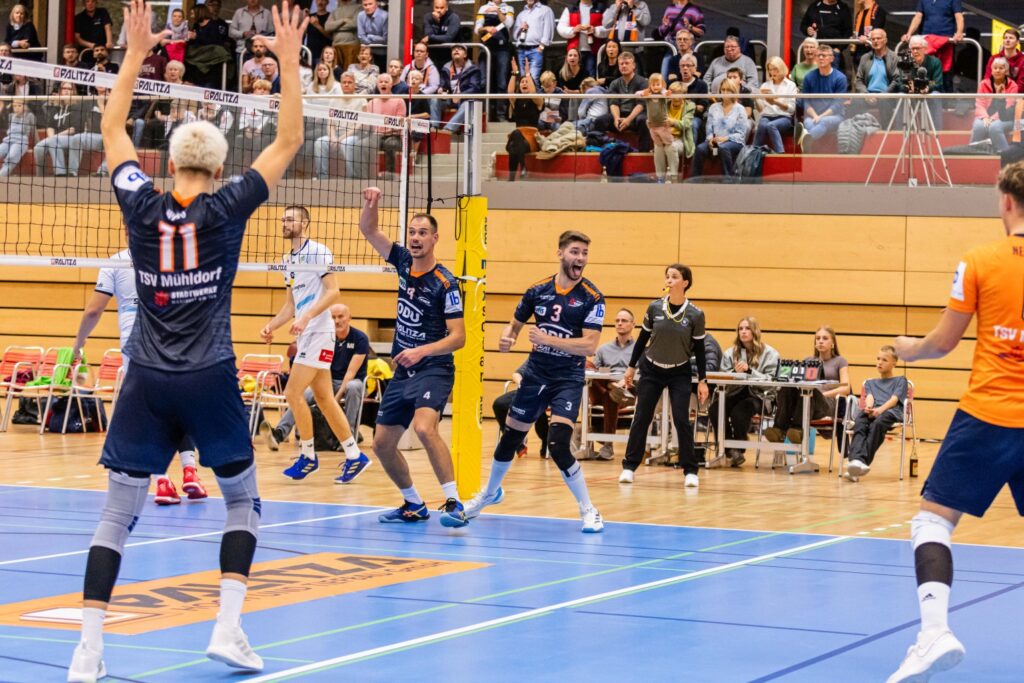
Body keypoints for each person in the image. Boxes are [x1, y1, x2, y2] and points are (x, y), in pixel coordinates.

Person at [66, 2, 307, 680]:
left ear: (168, 162)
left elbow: (111, 125)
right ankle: (228, 629)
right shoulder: (229, 208)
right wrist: (287, 62)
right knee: (241, 501)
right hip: (209, 374)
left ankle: (88, 650)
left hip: (144, 371)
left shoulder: (140, 203)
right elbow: (286, 142)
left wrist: (138, 52)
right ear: (220, 165)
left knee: (117, 513)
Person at [884, 162, 1024, 683]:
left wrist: (905, 349)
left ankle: (935, 633)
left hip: (988, 414)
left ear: (1006, 201)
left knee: (932, 523)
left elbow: (942, 344)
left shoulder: (980, 261)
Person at [464, 231, 606, 533]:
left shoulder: (592, 298)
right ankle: (488, 494)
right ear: (560, 254)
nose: (580, 259)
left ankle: (589, 509)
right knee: (510, 439)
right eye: (575, 252)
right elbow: (515, 324)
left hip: (567, 377)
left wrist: (547, 338)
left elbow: (590, 345)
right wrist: (507, 337)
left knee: (558, 445)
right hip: (536, 375)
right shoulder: (537, 290)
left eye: (584, 254)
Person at [358, 187, 468, 527]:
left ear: (435, 239)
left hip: (433, 367)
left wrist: (420, 350)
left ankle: (454, 503)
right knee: (381, 444)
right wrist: (372, 203)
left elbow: (459, 338)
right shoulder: (403, 262)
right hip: (402, 371)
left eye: (422, 233)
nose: (416, 238)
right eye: (412, 232)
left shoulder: (446, 283)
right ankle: (413, 503)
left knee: (423, 427)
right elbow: (369, 231)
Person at [72, 241, 209, 507]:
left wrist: (79, 344)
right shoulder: (173, 259)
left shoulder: (115, 261)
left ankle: (162, 481)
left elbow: (93, 310)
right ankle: (190, 470)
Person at [259, 205, 366, 481]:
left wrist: (307, 318)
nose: (284, 222)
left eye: (290, 219)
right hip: (308, 333)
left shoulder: (318, 252)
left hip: (319, 331)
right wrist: (272, 325)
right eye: (283, 219)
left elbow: (334, 292)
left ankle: (307, 456)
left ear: (305, 223)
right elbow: (289, 305)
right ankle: (355, 456)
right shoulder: (288, 259)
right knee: (324, 398)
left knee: (293, 393)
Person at [620, 264, 709, 486]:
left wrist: (703, 381)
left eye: (674, 276)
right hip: (651, 370)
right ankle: (629, 467)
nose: (669, 279)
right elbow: (642, 340)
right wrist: (631, 367)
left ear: (685, 282)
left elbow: (699, 350)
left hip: (680, 371)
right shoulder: (654, 308)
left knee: (681, 419)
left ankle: (690, 471)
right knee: (641, 417)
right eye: (667, 276)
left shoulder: (696, 314)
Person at [264, 303, 370, 474]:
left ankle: (348, 437)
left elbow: (350, 373)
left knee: (352, 387)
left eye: (340, 316)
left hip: (351, 381)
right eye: (333, 317)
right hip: (328, 378)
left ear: (349, 318)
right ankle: (279, 433)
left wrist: (332, 400)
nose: (336, 320)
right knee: (301, 394)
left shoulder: (360, 338)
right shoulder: (326, 337)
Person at [766, 326, 851, 446]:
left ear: (833, 343)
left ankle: (798, 429)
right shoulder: (808, 360)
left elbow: (846, 388)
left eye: (825, 338)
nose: (820, 341)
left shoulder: (840, 361)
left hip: (827, 403)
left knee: (810, 391)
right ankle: (779, 429)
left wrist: (822, 394)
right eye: (818, 338)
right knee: (788, 386)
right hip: (806, 402)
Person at [715, 317, 780, 467]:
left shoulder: (770, 353)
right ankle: (730, 449)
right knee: (715, 408)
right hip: (735, 392)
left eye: (747, 328)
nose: (743, 332)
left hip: (759, 396)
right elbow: (722, 378)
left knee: (740, 411)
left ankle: (738, 446)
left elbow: (772, 381)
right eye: (740, 329)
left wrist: (750, 371)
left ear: (755, 331)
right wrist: (733, 372)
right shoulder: (730, 353)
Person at [843, 345, 907, 478]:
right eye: (878, 359)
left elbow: (894, 400)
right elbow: (870, 398)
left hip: (890, 412)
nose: (879, 362)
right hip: (874, 410)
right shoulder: (870, 383)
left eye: (884, 360)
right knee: (860, 422)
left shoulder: (901, 380)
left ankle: (858, 462)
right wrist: (869, 408)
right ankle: (856, 463)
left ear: (894, 363)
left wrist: (879, 410)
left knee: (877, 424)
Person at [585, 308, 635, 461]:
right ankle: (612, 387)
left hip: (629, 391)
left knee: (611, 397)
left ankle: (608, 446)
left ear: (633, 324)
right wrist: (611, 384)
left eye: (624, 321)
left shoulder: (639, 349)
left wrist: (624, 382)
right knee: (586, 365)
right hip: (602, 388)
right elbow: (594, 374)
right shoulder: (603, 349)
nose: (620, 324)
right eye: (617, 321)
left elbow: (641, 373)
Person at [899, 0, 964, 95]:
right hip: (926, 41)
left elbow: (959, 16)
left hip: (945, 41)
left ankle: (947, 103)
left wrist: (959, 32)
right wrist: (909, 33)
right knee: (924, 70)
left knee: (945, 74)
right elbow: (918, 16)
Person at [691, 77, 747, 179]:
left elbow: (741, 134)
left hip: (734, 141)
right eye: (723, 90)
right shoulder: (714, 107)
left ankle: (729, 180)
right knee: (699, 149)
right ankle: (694, 180)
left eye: (728, 90)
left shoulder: (740, 109)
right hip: (714, 140)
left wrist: (724, 139)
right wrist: (710, 140)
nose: (725, 93)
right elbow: (709, 128)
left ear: (734, 92)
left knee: (723, 148)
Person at [492, 363, 549, 458]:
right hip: (525, 391)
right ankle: (516, 441)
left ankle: (546, 442)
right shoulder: (536, 357)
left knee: (536, 406)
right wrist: (522, 384)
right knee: (499, 404)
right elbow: (516, 374)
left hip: (546, 393)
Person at [798, 45, 848, 150]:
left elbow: (837, 105)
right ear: (815, 58)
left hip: (835, 116)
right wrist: (815, 116)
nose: (821, 58)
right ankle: (808, 148)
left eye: (824, 55)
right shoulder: (809, 77)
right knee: (808, 122)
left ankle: (804, 139)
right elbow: (806, 101)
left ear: (832, 58)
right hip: (813, 116)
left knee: (822, 122)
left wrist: (821, 117)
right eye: (818, 55)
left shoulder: (840, 78)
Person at [601, 51, 651, 151]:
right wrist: (616, 118)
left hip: (636, 116)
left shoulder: (643, 82)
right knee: (600, 121)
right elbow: (613, 102)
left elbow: (641, 105)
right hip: (620, 115)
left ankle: (643, 152)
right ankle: (601, 150)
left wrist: (628, 120)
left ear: (634, 66)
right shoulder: (614, 83)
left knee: (643, 120)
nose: (623, 66)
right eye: (621, 64)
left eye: (627, 63)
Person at [34, 82, 84, 178]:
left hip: (72, 139)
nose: (66, 90)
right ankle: (40, 176)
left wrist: (54, 138)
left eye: (69, 89)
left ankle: (60, 172)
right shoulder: (56, 108)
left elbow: (73, 129)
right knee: (38, 148)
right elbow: (50, 126)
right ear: (60, 91)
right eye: (64, 88)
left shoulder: (77, 107)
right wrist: (52, 138)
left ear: (73, 92)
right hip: (55, 139)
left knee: (52, 141)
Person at [970, 57, 1019, 153]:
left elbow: (1009, 105)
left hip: (1005, 117)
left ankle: (1005, 154)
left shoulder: (1013, 85)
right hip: (984, 117)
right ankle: (973, 153)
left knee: (994, 127)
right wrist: (985, 117)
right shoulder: (983, 84)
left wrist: (992, 118)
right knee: (978, 126)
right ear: (991, 70)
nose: (997, 70)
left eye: (1001, 68)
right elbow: (980, 103)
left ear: (1006, 71)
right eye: (995, 68)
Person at [476, 0, 515, 119]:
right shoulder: (483, 8)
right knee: (483, 82)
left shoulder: (509, 8)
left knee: (502, 83)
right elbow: (476, 29)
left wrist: (497, 10)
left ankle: (501, 115)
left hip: (502, 48)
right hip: (486, 48)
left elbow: (509, 23)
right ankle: (482, 115)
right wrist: (486, 28)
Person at [853, 28, 900, 120]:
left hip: (887, 95)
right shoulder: (865, 57)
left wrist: (883, 95)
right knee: (855, 102)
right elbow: (858, 80)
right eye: (873, 39)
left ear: (885, 40)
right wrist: (866, 94)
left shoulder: (894, 57)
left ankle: (887, 132)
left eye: (878, 38)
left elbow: (896, 80)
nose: (875, 41)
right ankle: (854, 131)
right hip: (868, 94)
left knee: (884, 103)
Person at [754, 56, 798, 153]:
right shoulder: (765, 86)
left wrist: (775, 102)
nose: (772, 73)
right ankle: (754, 154)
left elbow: (791, 109)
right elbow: (761, 109)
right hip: (767, 115)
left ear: (781, 69)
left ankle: (780, 154)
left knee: (771, 125)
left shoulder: (791, 85)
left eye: (775, 69)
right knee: (761, 125)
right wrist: (756, 98)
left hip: (784, 117)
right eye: (770, 70)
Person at [438, 44, 485, 132]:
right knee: (434, 100)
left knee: (467, 104)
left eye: (459, 49)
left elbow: (474, 88)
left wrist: (460, 95)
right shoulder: (446, 68)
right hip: (450, 98)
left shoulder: (473, 69)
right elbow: (443, 84)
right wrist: (441, 89)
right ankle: (434, 127)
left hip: (465, 99)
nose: (456, 50)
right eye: (454, 49)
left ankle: (447, 129)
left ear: (465, 55)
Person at [557, 0, 608, 77]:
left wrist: (595, 30)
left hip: (594, 51)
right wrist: (573, 30)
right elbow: (560, 28)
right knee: (574, 76)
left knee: (591, 76)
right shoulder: (570, 8)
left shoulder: (601, 8)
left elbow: (609, 27)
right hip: (575, 51)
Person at [643, 73, 675, 182]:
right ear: (650, 86)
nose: (656, 87)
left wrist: (666, 92)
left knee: (668, 143)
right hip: (652, 126)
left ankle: (671, 174)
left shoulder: (662, 95)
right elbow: (638, 94)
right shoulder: (648, 96)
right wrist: (644, 93)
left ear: (662, 85)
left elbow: (665, 92)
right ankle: (660, 177)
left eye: (658, 84)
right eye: (653, 85)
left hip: (662, 124)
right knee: (658, 144)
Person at [514, 0, 555, 84]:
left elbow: (549, 29)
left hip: (536, 50)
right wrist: (520, 28)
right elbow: (515, 35)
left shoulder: (545, 10)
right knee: (523, 80)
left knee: (533, 79)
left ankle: (534, 97)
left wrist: (541, 47)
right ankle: (526, 98)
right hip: (521, 50)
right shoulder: (522, 13)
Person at [421, 0, 461, 68]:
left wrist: (431, 38)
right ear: (433, 8)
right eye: (437, 7)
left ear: (446, 8)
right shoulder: (428, 17)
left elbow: (449, 38)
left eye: (442, 8)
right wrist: (436, 22)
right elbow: (428, 35)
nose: (439, 10)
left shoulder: (454, 18)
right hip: (433, 56)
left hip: (450, 55)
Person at [0, 99, 35, 177]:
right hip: (8, 141)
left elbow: (34, 131)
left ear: (24, 106)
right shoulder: (10, 116)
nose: (17, 108)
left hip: (20, 142)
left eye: (19, 105)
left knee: (11, 158)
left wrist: (35, 145)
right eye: (15, 106)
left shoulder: (29, 116)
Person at [74, 0, 114, 65]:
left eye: (93, 1)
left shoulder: (102, 12)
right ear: (84, 4)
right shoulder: (79, 18)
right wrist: (93, 46)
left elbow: (107, 27)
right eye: (87, 1)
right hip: (86, 53)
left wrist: (109, 42)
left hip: (102, 51)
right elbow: (77, 38)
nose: (90, 4)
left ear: (96, 3)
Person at [324, 0, 361, 70]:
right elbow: (327, 27)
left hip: (352, 45)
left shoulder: (359, 8)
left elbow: (354, 24)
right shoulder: (335, 11)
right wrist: (343, 20)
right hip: (336, 45)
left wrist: (335, 27)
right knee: (335, 72)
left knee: (349, 73)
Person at [984, 27, 1024, 92]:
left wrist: (1006, 93)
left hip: (1017, 97)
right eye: (1005, 38)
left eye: (1011, 38)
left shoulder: (1022, 60)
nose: (1007, 40)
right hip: (994, 96)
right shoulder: (994, 58)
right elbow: (987, 78)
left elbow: (1021, 84)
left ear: (1017, 41)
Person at [356, 0, 387, 68]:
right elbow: (361, 37)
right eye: (365, 5)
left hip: (382, 53)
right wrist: (377, 39)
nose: (367, 7)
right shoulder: (360, 15)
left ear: (376, 4)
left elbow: (385, 39)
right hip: (366, 53)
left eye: (370, 4)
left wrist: (370, 37)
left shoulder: (385, 15)